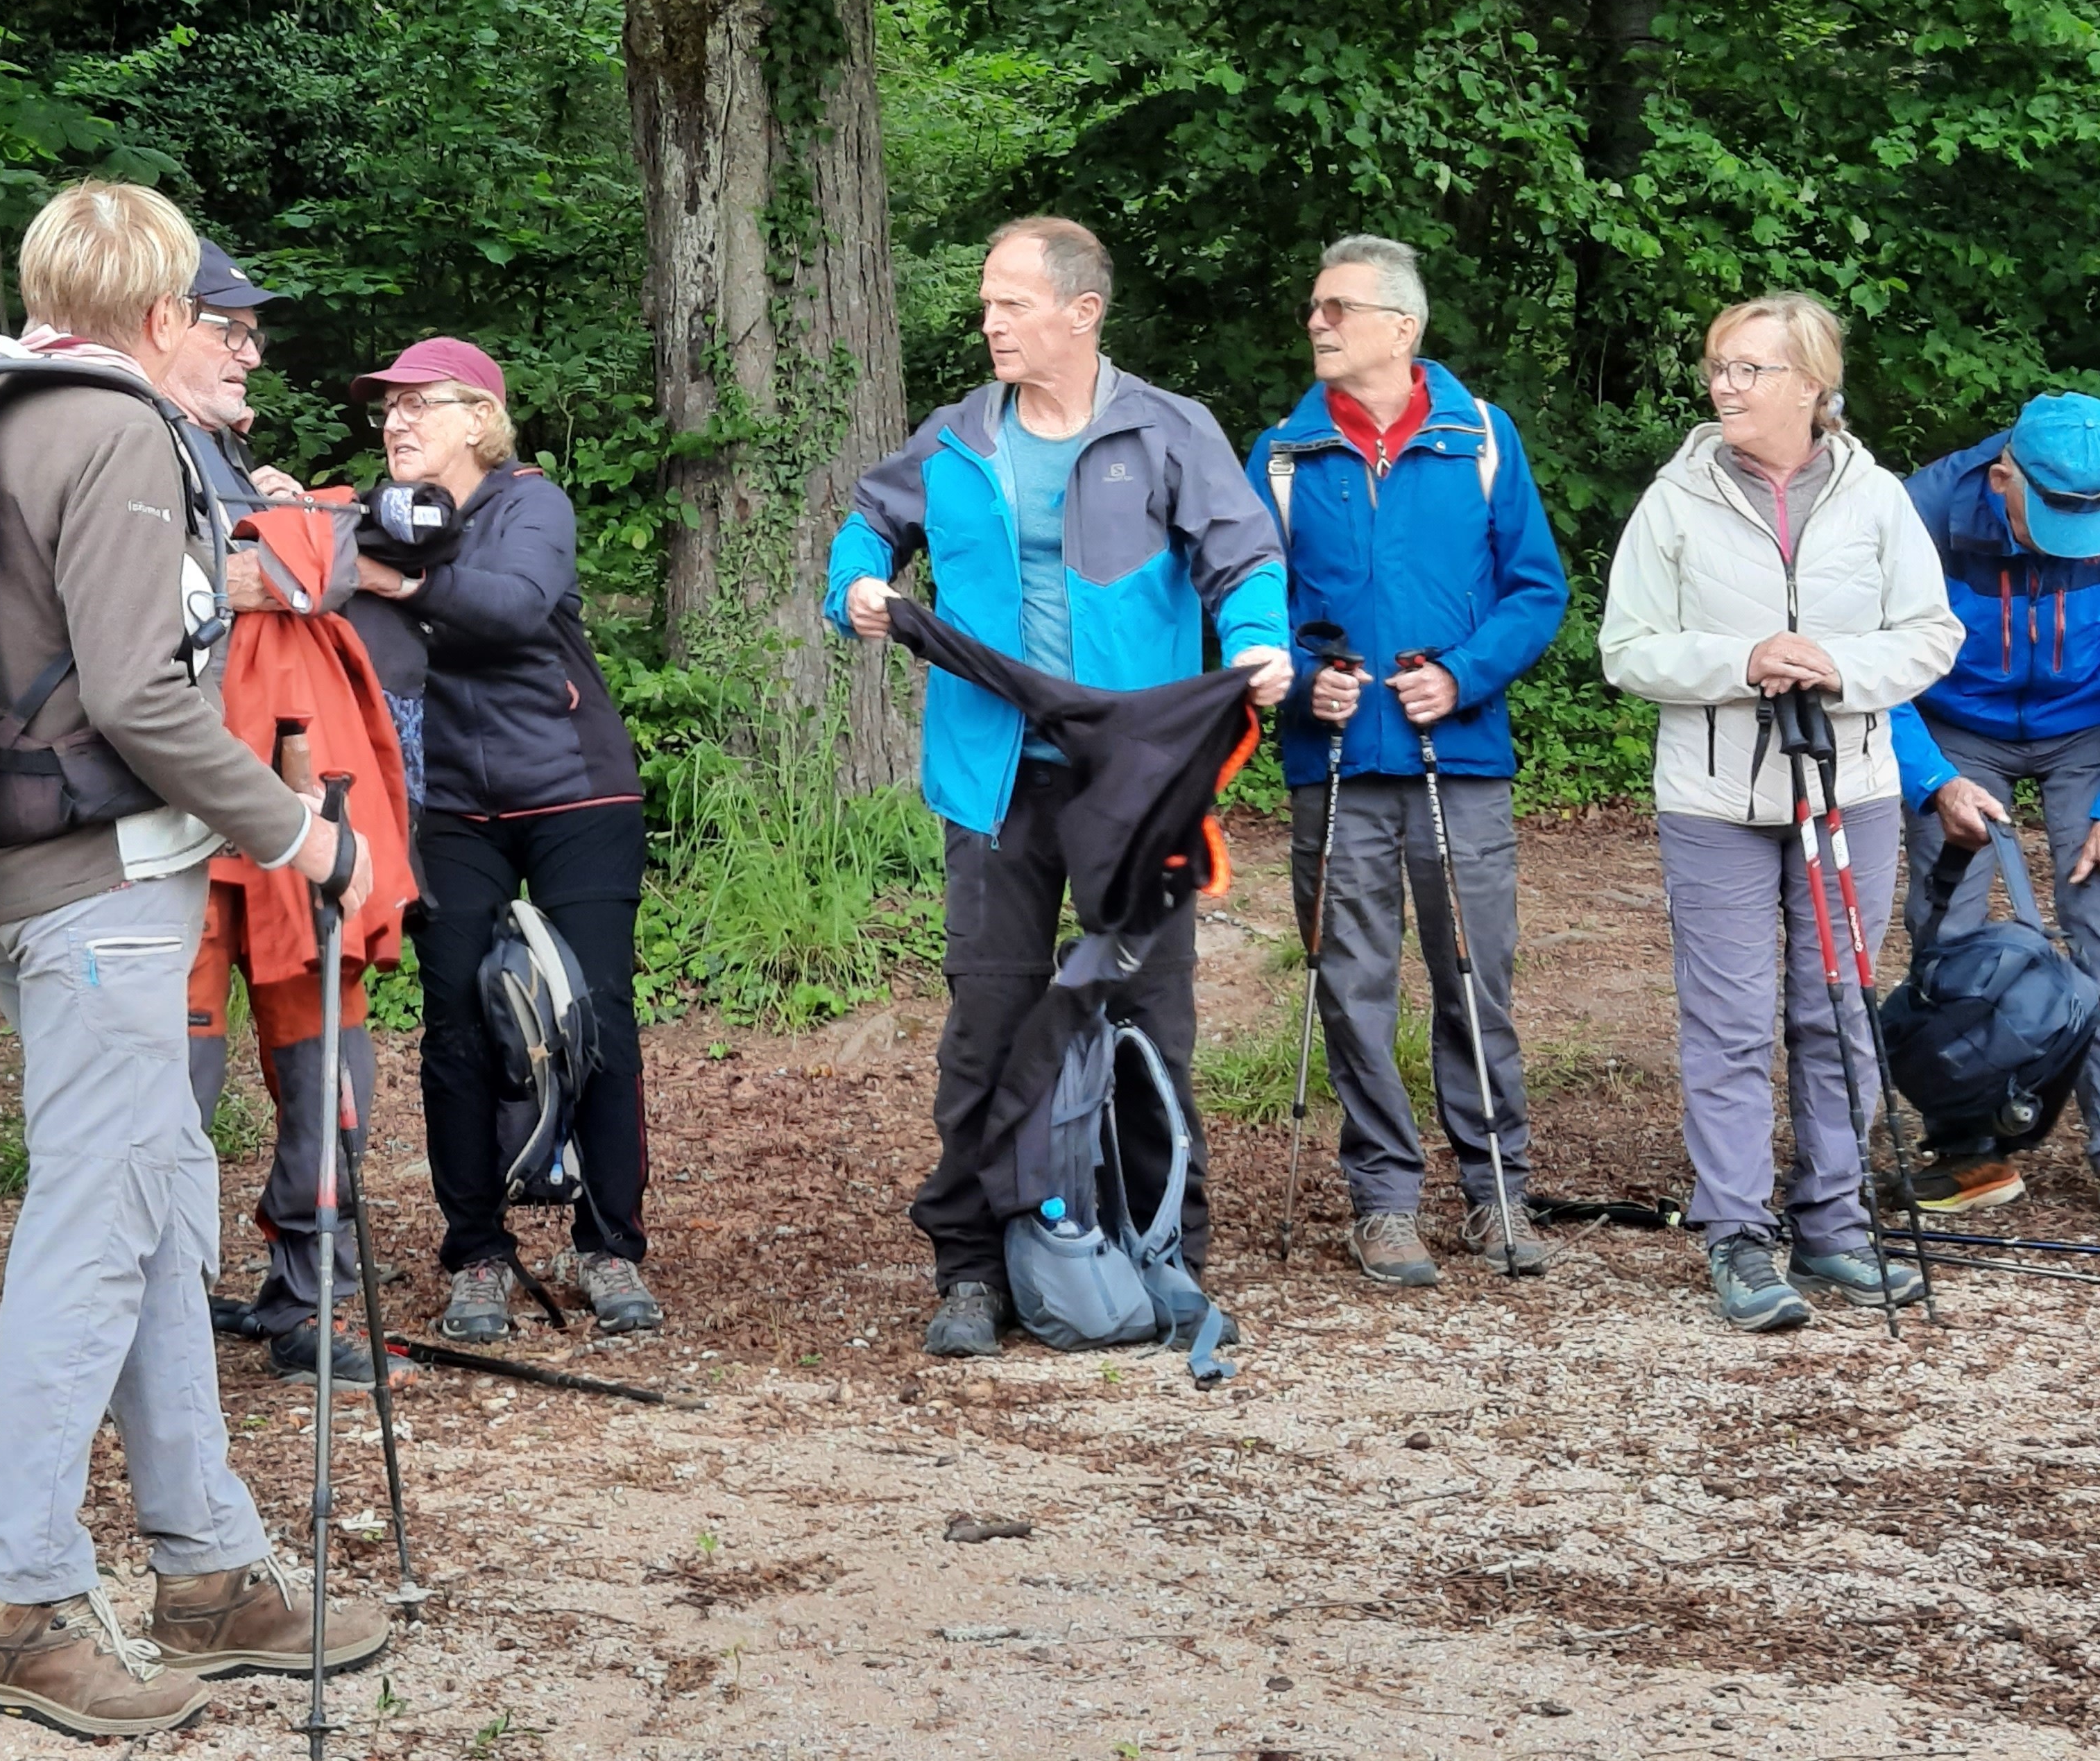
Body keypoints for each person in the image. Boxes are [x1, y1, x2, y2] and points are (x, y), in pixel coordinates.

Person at [0, 184, 383, 1738]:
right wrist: (297, 835)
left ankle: (205, 1566)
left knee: (149, 1215)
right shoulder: (116, 430)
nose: (227, 337)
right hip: (104, 888)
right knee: (94, 1229)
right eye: (205, 311)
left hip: (11, 867)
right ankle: (28, 1607)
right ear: (153, 314)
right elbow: (139, 696)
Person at [825, 216, 1292, 1360]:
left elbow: (1244, 556)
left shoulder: (1167, 429)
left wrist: (1259, 642)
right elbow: (867, 525)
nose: (990, 323)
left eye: (1012, 303)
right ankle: (971, 1270)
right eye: (987, 304)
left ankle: (1163, 1256)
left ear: (1083, 313)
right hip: (993, 781)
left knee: (1148, 1018)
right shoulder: (956, 437)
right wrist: (858, 588)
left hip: (1134, 782)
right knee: (988, 1026)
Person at [1599, 291, 1961, 1333]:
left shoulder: (1876, 498)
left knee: (1836, 1008)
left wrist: (1835, 667)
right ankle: (1738, 1235)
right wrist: (1742, 660)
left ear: (1810, 384)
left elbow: (1931, 635)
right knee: (1729, 1022)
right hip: (1713, 800)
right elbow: (1627, 650)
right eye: (1719, 366)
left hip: (1852, 790)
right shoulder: (1675, 499)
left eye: (1750, 369)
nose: (1725, 385)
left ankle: (1834, 1226)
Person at [1246, 236, 1569, 1287]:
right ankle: (1383, 1202)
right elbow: (1245, 597)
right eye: (1314, 306)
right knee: (1352, 984)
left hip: (1457, 756)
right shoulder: (1283, 456)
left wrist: (1463, 676)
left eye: (1337, 307)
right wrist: (1304, 677)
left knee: (1476, 976)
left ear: (1402, 326)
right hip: (1335, 759)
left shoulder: (1481, 438)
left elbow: (1537, 589)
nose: (1317, 323)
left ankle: (1495, 1187)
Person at [348, 337, 662, 1341]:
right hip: (450, 803)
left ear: (480, 419)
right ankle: (476, 1253)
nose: (396, 421)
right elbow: (312, 547)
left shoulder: (532, 504)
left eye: (419, 404)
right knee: (455, 1024)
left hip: (576, 791)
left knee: (596, 1015)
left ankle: (609, 1247)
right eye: (387, 408)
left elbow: (513, 605)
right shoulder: (384, 516)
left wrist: (396, 582)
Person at [153, 238, 418, 1389]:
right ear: (162, 323)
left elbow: (377, 549)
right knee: (173, 1073)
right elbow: (263, 574)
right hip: (171, 809)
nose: (251, 353)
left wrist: (293, 532)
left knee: (329, 1059)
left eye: (255, 334)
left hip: (300, 800)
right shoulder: (117, 440)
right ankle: (156, 1308)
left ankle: (309, 1298)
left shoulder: (223, 453)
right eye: (231, 329)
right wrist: (289, 550)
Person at [1879, 395, 2100, 1210]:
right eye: (2053, 520)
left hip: (2088, 726)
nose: (2070, 542)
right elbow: (1873, 663)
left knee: (2097, 916)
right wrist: (1931, 780)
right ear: (2003, 477)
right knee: (1951, 933)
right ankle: (1972, 1148)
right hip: (1955, 728)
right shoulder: (1919, 510)